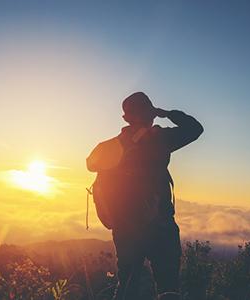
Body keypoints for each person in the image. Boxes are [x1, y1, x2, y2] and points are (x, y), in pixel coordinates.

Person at [86, 92, 203, 300]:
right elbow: (195, 129)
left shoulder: (109, 147)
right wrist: (166, 113)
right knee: (168, 289)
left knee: (127, 286)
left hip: (125, 228)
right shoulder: (160, 139)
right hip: (161, 227)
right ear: (151, 113)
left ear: (126, 118)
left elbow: (90, 164)